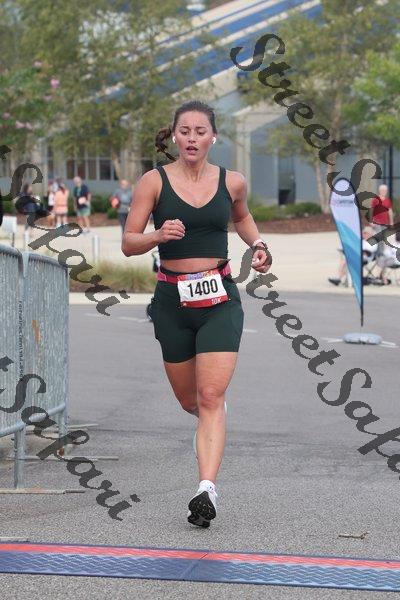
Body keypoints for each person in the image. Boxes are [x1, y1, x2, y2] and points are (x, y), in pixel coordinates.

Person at [121, 100, 272, 528]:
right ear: (174, 136)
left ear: (213, 137)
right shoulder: (153, 182)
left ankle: (206, 489)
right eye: (184, 131)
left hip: (219, 298)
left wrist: (259, 245)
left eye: (200, 131)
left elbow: (243, 218)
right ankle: (213, 416)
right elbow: (128, 242)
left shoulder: (232, 181)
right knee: (191, 400)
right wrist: (157, 236)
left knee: (209, 396)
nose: (191, 138)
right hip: (171, 301)